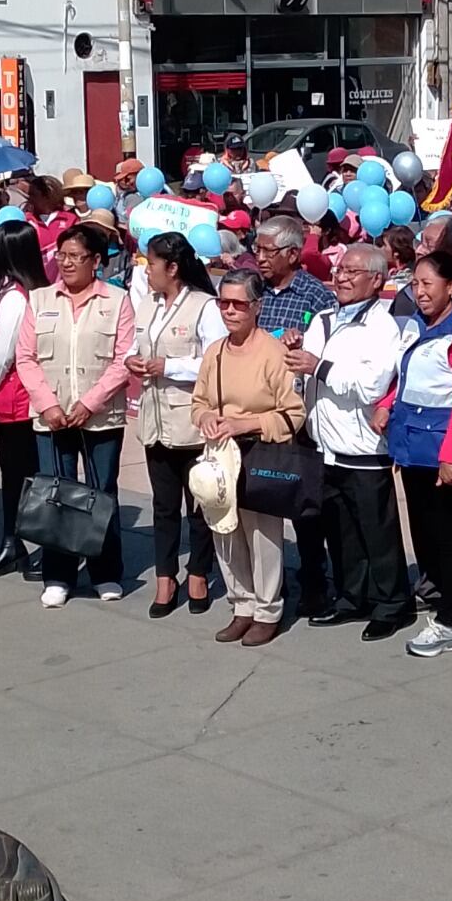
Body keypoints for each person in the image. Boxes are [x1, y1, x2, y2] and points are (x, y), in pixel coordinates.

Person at [287, 243, 413, 641]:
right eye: (340, 269)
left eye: (352, 271)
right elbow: (302, 376)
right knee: (340, 533)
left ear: (377, 280)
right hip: (323, 444)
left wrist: (318, 366)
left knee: (376, 531)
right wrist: (296, 358)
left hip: (362, 446)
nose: (341, 277)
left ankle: (392, 602)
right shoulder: (323, 318)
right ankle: (352, 596)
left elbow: (371, 384)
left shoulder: (384, 325)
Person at [16, 223, 134, 608]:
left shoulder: (117, 301)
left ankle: (105, 571)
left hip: (100, 417)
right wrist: (48, 404)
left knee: (102, 494)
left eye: (75, 257)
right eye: (61, 256)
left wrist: (91, 403)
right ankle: (58, 574)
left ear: (96, 261)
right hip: (51, 416)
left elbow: (123, 361)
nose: (65, 263)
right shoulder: (39, 300)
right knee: (55, 493)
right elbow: (26, 358)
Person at [383, 251, 452, 657]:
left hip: (447, 452)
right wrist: (386, 403)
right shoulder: (417, 326)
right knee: (429, 536)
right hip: (414, 449)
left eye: (429, 284)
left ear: (451, 286)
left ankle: (448, 620)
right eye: (416, 284)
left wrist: (450, 457)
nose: (420, 292)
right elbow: (406, 375)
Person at [191, 269, 305, 645]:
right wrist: (207, 418)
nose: (230, 311)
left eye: (239, 304)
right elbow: (199, 403)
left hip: (260, 454)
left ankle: (268, 609)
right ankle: (241, 604)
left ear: (256, 306)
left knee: (263, 537)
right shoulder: (215, 352)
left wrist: (245, 424)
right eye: (223, 303)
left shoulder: (274, 353)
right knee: (225, 532)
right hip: (221, 456)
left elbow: (292, 414)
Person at [126, 231, 224, 617]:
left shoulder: (205, 306)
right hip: (155, 421)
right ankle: (165, 577)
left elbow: (213, 361)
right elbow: (137, 345)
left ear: (172, 267)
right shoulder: (148, 304)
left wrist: (171, 367)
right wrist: (134, 360)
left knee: (198, 505)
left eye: (151, 263)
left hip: (190, 421)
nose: (146, 270)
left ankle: (199, 571)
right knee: (163, 506)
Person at [254, 215, 336, 613]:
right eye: (257, 250)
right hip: (255, 412)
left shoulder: (315, 296)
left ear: (291, 254)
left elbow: (332, 349)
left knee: (306, 509)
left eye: (268, 251)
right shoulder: (256, 291)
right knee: (260, 500)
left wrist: (303, 342)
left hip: (298, 415)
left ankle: (315, 583)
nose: (261, 258)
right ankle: (266, 585)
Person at [0, 221, 46, 577]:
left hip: (12, 396)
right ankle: (14, 542)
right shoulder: (25, 290)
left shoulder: (15, 297)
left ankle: (13, 542)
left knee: (17, 474)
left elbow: (4, 353)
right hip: (13, 395)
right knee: (18, 472)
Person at [23, 175, 78, 281]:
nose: (29, 199)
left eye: (33, 195)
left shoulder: (70, 220)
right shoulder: (25, 221)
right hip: (36, 281)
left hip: (64, 280)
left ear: (48, 196)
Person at [382, 225, 416, 290]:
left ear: (396, 252)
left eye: (385, 245)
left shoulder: (405, 278)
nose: (381, 248)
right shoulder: (387, 270)